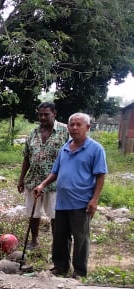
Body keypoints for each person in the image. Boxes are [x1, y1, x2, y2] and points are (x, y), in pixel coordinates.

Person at [34, 112, 107, 279]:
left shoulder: (95, 149)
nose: (74, 128)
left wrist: (94, 200)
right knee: (60, 237)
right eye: (71, 124)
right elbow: (55, 172)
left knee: (81, 238)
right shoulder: (65, 148)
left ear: (87, 127)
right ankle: (60, 267)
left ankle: (79, 271)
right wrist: (43, 184)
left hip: (82, 202)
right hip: (62, 201)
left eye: (78, 124)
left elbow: (100, 175)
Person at [17, 102, 69, 248]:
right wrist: (21, 179)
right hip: (33, 179)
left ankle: (57, 243)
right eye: (40, 114)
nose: (43, 117)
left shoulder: (65, 131)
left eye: (46, 114)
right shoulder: (33, 133)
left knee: (55, 214)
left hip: (55, 181)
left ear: (54, 113)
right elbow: (27, 157)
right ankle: (34, 241)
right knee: (33, 212)